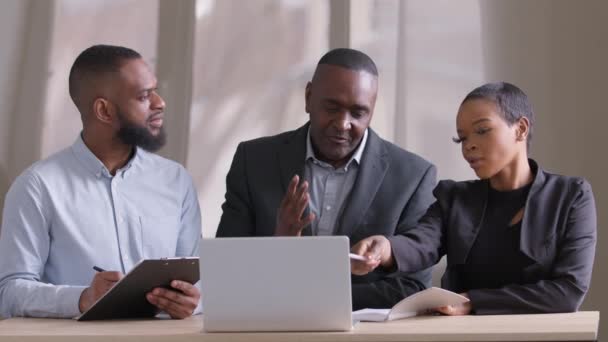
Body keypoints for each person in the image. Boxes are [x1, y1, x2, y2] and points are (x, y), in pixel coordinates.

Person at [216, 48, 437, 310]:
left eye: (358, 113)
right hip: (269, 330)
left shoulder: (413, 176)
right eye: (332, 108)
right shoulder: (252, 160)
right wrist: (279, 246)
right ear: (309, 98)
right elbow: (223, 271)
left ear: (372, 110)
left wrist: (313, 297)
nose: (343, 124)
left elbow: (415, 288)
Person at [351, 82, 597, 315]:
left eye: (482, 130)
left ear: (521, 129)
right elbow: (421, 242)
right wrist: (386, 247)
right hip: (470, 335)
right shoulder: (455, 198)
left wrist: (473, 301)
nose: (469, 146)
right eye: (463, 137)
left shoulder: (571, 195)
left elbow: (569, 291)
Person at [0, 45, 201, 319]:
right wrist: (83, 298)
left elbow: (201, 283)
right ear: (104, 110)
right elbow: (9, 293)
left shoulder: (176, 181)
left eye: (154, 90)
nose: (159, 102)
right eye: (144, 96)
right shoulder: (37, 187)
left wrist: (193, 301)